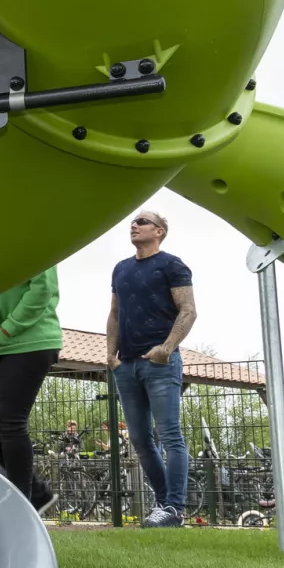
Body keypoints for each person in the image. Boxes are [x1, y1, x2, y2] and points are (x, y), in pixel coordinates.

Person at [107, 209, 196, 528]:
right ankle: (165, 507)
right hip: (126, 365)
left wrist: (166, 348)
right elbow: (115, 313)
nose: (134, 225)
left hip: (160, 363)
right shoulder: (121, 268)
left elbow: (188, 311)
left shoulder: (172, 265)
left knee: (170, 435)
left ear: (158, 231)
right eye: (132, 221)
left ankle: (174, 507)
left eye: (142, 221)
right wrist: (110, 356)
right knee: (141, 440)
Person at [0, 267, 63, 514]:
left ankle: (22, 509)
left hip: (28, 339)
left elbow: (43, 288)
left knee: (11, 421)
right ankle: (36, 492)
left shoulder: (32, 235)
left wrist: (9, 326)